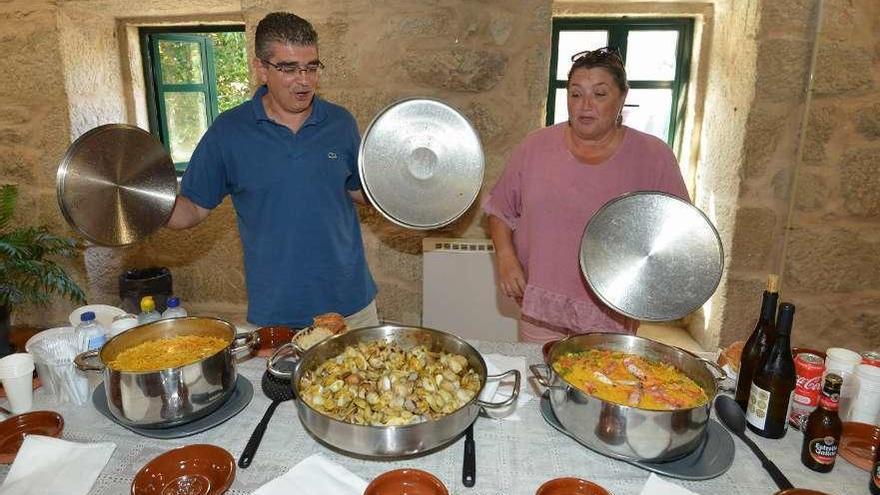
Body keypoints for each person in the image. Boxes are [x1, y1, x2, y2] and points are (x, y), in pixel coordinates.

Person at [167, 12, 378, 330]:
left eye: (311, 67)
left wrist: (401, 191)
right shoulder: (229, 131)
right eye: (289, 69)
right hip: (279, 316)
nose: (304, 80)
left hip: (352, 306)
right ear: (261, 69)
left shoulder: (340, 122)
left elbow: (357, 190)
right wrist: (137, 204)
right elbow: (191, 208)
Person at [483, 47, 689, 344]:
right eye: (576, 94)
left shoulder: (653, 156)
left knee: (600, 387)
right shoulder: (535, 147)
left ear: (622, 98)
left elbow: (677, 234)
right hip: (542, 308)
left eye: (600, 94)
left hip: (611, 314)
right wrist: (505, 257)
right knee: (541, 386)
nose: (585, 106)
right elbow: (499, 209)